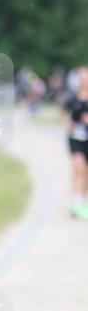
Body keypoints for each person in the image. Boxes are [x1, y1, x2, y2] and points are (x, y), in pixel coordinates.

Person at [64, 65, 88, 220]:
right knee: (78, 168)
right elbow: (64, 115)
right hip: (76, 138)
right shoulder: (72, 98)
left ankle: (83, 202)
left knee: (86, 172)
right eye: (82, 77)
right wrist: (71, 123)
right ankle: (75, 204)